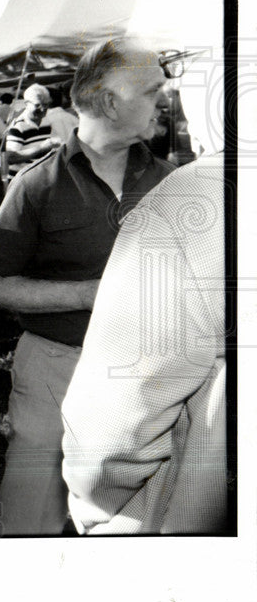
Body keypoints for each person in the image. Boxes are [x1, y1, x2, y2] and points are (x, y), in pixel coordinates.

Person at [0, 38, 177, 536]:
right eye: (152, 91)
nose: (164, 101)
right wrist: (92, 294)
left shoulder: (174, 182)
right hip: (54, 366)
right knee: (31, 512)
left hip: (147, 371)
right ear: (110, 102)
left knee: (135, 512)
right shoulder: (37, 184)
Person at [61, 152, 226, 534]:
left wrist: (95, 506)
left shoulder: (196, 191)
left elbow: (117, 417)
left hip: (195, 511)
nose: (157, 106)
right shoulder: (39, 182)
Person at [4, 83, 61, 177]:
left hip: (39, 177)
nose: (43, 109)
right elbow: (10, 158)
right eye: (38, 105)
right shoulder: (18, 126)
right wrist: (42, 147)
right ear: (26, 103)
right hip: (21, 180)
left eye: (46, 105)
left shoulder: (47, 121)